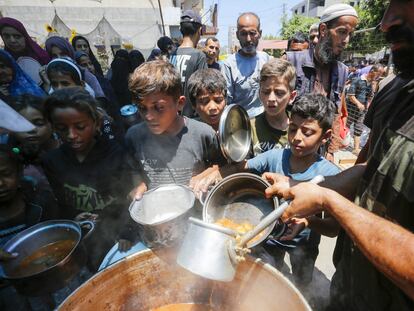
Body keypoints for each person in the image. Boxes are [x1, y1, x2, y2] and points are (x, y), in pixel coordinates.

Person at [264, 1, 414, 309]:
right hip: (349, 290)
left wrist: (326, 200)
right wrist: (302, 187)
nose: (386, 22)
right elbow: (369, 170)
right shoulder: (396, 90)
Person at [247, 94, 340, 287]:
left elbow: (333, 229)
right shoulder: (274, 157)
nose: (297, 137)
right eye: (293, 129)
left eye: (307, 132)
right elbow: (243, 167)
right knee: (271, 281)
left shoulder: (331, 175)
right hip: (270, 241)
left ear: (326, 136)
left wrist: (308, 221)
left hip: (304, 246)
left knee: (302, 285)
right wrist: (216, 170)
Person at [42, 88, 134, 270]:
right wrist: (74, 218)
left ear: (96, 122)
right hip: (85, 239)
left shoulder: (116, 155)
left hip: (120, 234)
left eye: (80, 127)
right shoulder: (52, 161)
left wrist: (128, 233)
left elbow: (130, 199)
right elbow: (63, 201)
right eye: (61, 128)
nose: (71, 135)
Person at [125, 61, 223, 199]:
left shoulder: (203, 134)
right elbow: (134, 170)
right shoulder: (134, 136)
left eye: (159, 107)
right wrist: (140, 185)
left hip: (194, 214)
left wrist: (210, 173)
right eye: (142, 108)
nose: (149, 116)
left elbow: (220, 168)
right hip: (156, 213)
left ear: (180, 103)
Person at [285, 4, 358, 160]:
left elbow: (336, 112)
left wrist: (331, 150)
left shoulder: (342, 71)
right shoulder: (293, 61)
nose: (346, 40)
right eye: (342, 32)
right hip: (290, 147)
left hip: (319, 151)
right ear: (323, 29)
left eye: (350, 34)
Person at [221, 12, 271, 118]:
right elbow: (226, 100)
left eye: (252, 33)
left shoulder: (266, 59)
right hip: (240, 123)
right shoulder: (229, 65)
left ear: (260, 34)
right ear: (237, 35)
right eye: (243, 34)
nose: (248, 39)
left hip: (265, 121)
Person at [7, 95, 59, 191]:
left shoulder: (71, 147)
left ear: (52, 124)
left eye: (39, 123)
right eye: (21, 124)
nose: (30, 129)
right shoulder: (10, 161)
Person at [250, 58, 296, 156]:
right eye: (266, 92)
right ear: (259, 93)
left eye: (279, 93)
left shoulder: (300, 127)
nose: (271, 98)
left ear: (292, 96)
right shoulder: (249, 128)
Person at [169, 10, 208, 117]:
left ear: (181, 30)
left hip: (171, 115)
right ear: (199, 30)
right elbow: (202, 88)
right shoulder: (199, 56)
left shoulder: (171, 54)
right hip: (191, 118)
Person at [346, 65, 382, 154]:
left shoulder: (371, 84)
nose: (379, 76)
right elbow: (351, 95)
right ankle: (338, 143)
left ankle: (356, 149)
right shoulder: (358, 80)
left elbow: (370, 97)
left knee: (359, 128)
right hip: (351, 109)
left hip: (362, 111)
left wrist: (368, 106)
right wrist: (358, 103)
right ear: (372, 71)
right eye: (378, 74)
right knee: (345, 126)